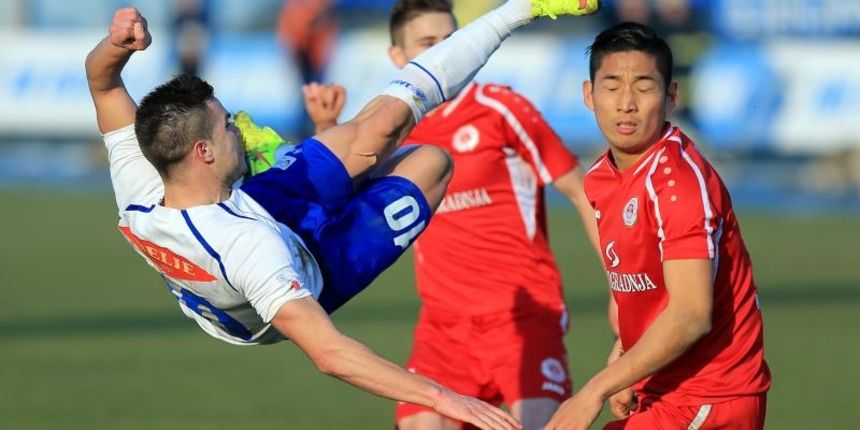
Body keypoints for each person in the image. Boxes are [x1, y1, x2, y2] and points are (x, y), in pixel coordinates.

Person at [85, 3, 598, 429]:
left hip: (259, 206)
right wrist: (446, 399)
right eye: (226, 127)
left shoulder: (142, 180)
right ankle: (341, 176)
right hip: (308, 270)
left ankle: (519, 8)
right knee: (433, 162)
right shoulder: (248, 251)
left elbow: (103, 83)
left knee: (381, 125)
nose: (239, 127)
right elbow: (330, 354)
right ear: (203, 153)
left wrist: (118, 42)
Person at [302, 1, 600, 428]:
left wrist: (621, 289)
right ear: (398, 58)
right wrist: (325, 129)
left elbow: (581, 189)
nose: (446, 53)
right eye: (428, 44)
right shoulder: (390, 129)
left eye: (452, 40)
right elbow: (333, 207)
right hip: (443, 331)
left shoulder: (501, 108)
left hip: (523, 321)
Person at [544, 22, 771, 430]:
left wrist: (593, 390)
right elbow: (651, 290)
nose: (626, 102)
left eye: (644, 87)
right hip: (663, 392)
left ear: (670, 98)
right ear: (588, 95)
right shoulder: (601, 176)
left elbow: (690, 314)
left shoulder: (678, 183)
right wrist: (624, 357)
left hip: (709, 397)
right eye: (611, 86)